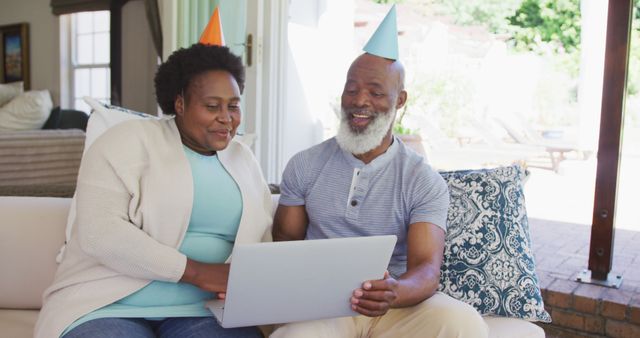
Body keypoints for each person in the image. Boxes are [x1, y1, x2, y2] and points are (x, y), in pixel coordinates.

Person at [270, 5, 488, 338]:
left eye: (375, 92)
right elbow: (285, 244)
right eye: (352, 89)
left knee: (463, 323)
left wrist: (393, 292)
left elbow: (427, 270)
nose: (360, 101)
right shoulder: (305, 164)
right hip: (324, 305)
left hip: (398, 306)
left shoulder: (422, 180)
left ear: (400, 100)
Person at [34, 43, 272, 338]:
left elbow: (263, 237)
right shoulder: (126, 141)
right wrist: (198, 272)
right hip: (108, 306)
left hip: (207, 312)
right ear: (180, 103)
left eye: (233, 106)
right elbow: (100, 233)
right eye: (212, 106)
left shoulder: (243, 160)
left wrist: (250, 284)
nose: (227, 117)